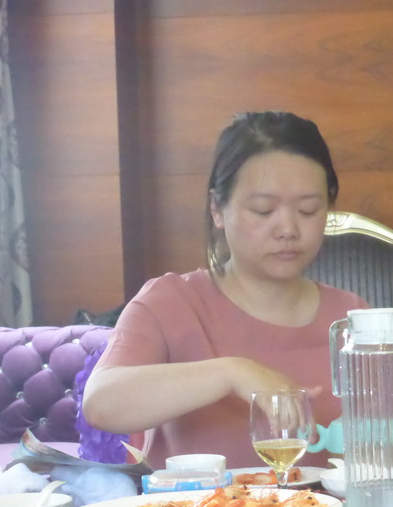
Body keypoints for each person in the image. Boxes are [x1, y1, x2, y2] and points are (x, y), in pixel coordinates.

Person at [82, 111, 368, 469]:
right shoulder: (170, 303)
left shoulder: (351, 316)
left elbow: (385, 431)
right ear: (217, 209)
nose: (288, 229)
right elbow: (101, 404)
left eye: (308, 210)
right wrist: (230, 373)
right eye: (263, 210)